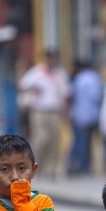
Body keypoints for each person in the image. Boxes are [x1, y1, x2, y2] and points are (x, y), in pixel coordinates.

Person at [18, 51, 71, 180]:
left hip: (55, 112)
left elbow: (66, 94)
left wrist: (65, 114)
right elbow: (22, 86)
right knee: (41, 139)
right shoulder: (36, 73)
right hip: (39, 111)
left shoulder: (60, 74)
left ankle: (50, 170)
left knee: (54, 142)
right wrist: (33, 89)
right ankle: (35, 166)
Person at [68, 61, 103, 175]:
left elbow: (72, 96)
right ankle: (84, 166)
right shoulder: (94, 78)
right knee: (88, 142)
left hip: (79, 114)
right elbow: (97, 96)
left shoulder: (78, 78)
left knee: (79, 141)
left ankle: (74, 164)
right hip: (92, 115)